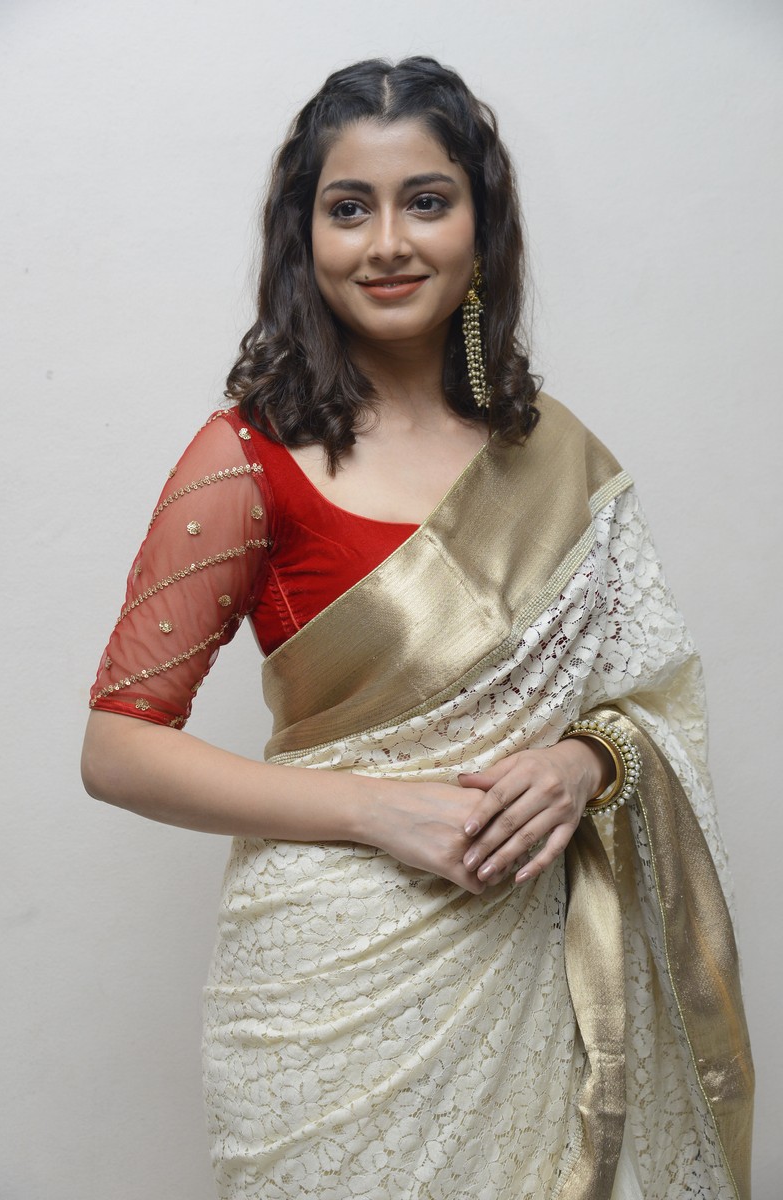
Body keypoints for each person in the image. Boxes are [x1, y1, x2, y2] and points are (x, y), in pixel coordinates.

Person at [82, 56, 753, 1200]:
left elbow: (650, 697)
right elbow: (116, 747)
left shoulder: (557, 461)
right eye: (348, 209)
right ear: (302, 239)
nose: (387, 242)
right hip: (322, 999)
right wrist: (375, 809)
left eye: (426, 201)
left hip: (527, 976)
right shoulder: (244, 458)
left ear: (480, 230)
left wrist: (584, 763)